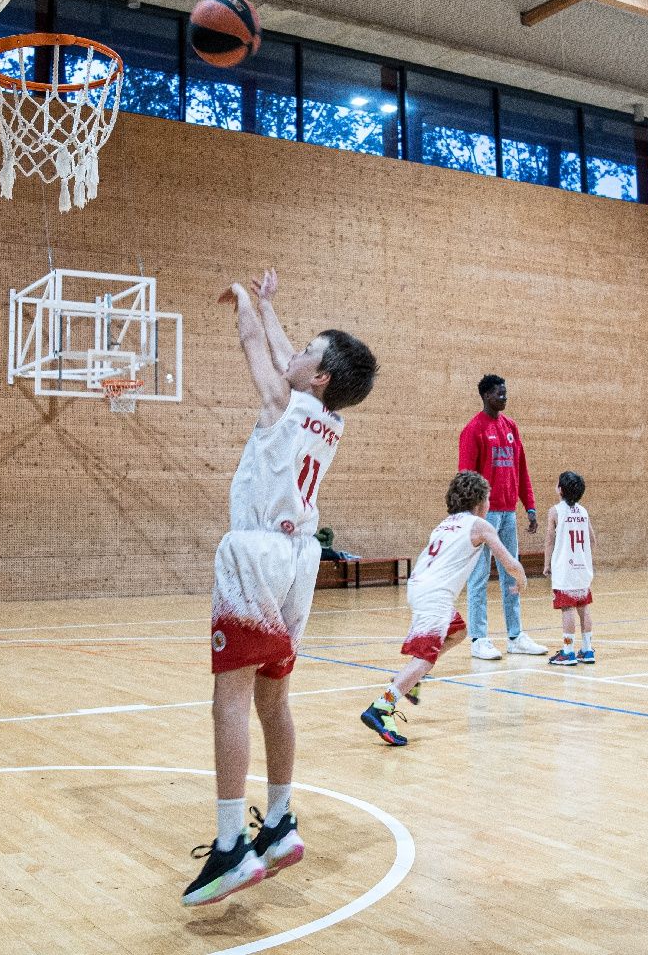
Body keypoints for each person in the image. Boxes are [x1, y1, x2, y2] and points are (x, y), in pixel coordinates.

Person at [183, 269, 378, 908]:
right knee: (275, 698)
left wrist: (244, 303)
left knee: (229, 701)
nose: (290, 354)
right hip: (298, 565)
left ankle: (231, 845)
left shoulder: (283, 402)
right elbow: (288, 353)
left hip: (257, 553)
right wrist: (271, 305)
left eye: (304, 354)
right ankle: (283, 821)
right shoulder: (326, 417)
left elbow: (258, 353)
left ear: (316, 376)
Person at [361, 471, 527, 746]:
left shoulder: (444, 524)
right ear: (479, 501)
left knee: (459, 631)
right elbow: (508, 561)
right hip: (435, 596)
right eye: (487, 498)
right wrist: (521, 578)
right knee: (426, 657)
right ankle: (382, 706)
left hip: (419, 588)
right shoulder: (479, 525)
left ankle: (411, 680)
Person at [457, 374, 545, 659]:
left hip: (508, 513)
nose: (504, 398)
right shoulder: (473, 430)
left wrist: (529, 506)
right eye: (499, 394)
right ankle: (479, 639)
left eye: (506, 393)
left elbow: (521, 470)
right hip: (484, 516)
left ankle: (516, 635)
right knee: (479, 575)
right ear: (485, 396)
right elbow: (465, 477)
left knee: (512, 573)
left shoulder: (511, 428)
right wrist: (467, 517)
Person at [543, 471, 596, 665]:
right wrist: (587, 560)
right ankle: (587, 650)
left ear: (560, 489)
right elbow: (592, 539)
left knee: (567, 608)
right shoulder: (583, 511)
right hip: (582, 567)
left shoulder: (555, 511)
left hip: (565, 568)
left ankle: (567, 651)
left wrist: (547, 564)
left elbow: (550, 540)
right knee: (583, 607)